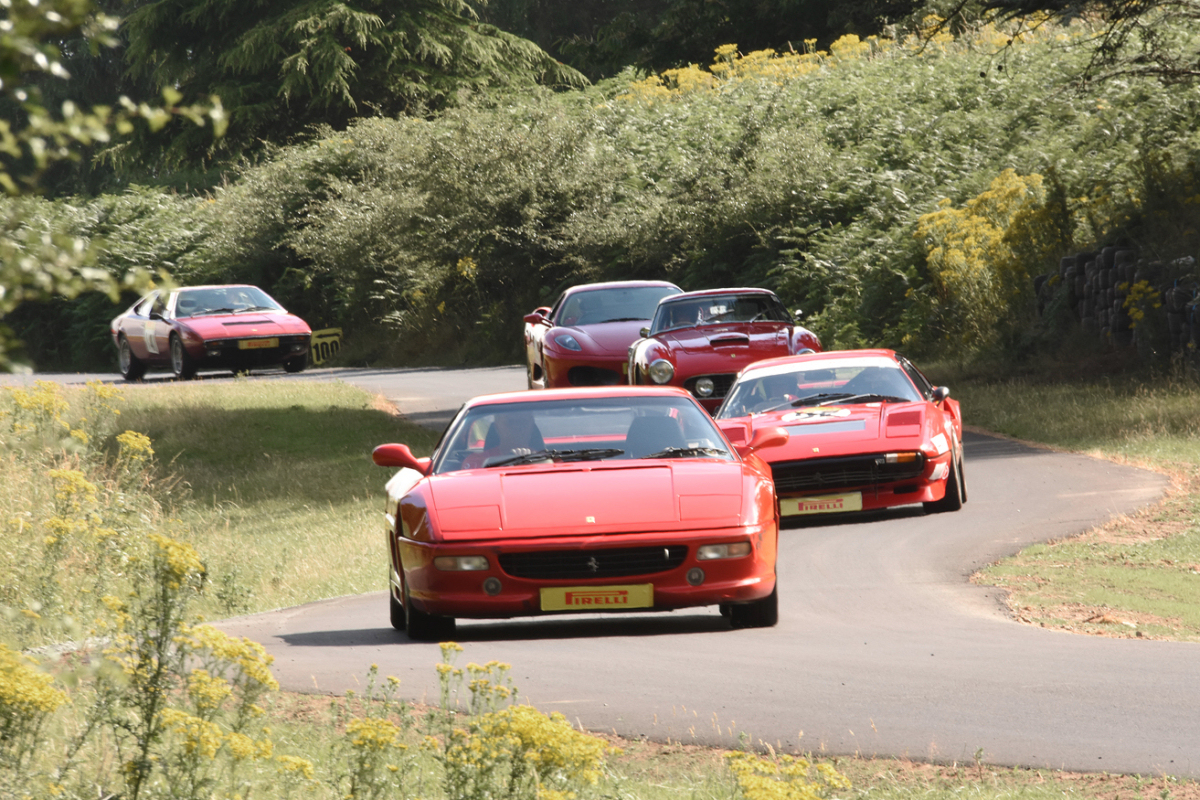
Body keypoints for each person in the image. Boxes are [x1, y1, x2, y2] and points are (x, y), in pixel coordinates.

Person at [460, 411, 545, 468]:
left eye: (523, 421)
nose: (517, 427)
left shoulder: (550, 461)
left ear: (531, 427)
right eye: (510, 422)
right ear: (497, 427)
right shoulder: (476, 461)